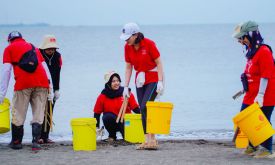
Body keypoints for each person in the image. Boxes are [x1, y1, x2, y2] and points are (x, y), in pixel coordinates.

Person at [0, 31, 53, 151]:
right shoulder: (33, 47)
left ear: (9, 40)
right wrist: (51, 88)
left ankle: (17, 142)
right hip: (42, 83)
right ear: (22, 38)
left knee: (18, 113)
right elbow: (45, 68)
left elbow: (6, 71)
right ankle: (35, 142)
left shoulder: (9, 49)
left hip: (23, 84)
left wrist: (1, 94)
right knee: (38, 113)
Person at [233, 21, 275, 158]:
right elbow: (251, 73)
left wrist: (261, 94)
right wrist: (245, 87)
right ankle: (253, 145)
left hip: (266, 93)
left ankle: (267, 149)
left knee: (262, 120)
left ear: (250, 35)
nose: (240, 41)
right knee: (245, 118)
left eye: (242, 37)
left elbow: (266, 75)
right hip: (250, 93)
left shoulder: (264, 51)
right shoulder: (252, 51)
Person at [120, 23, 164, 150]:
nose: (126, 40)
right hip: (140, 80)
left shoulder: (149, 44)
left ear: (136, 35)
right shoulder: (127, 47)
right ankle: (147, 140)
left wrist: (160, 81)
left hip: (154, 78)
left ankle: (153, 139)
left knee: (146, 106)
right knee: (142, 109)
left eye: (128, 37)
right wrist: (126, 86)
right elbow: (129, 67)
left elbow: (159, 62)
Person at [93, 71, 140, 142]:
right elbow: (97, 113)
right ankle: (112, 136)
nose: (116, 83)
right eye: (113, 81)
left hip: (126, 123)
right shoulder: (103, 96)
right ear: (108, 83)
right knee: (107, 117)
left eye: (118, 81)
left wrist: (145, 114)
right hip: (112, 122)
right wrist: (96, 128)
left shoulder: (126, 92)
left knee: (128, 139)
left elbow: (135, 108)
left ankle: (126, 135)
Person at [38, 35, 62, 144]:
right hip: (40, 86)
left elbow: (57, 74)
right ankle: (38, 136)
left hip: (52, 88)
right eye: (48, 48)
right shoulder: (38, 54)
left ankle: (45, 136)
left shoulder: (58, 57)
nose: (51, 50)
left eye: (53, 48)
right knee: (39, 111)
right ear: (44, 47)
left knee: (49, 111)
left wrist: (56, 90)